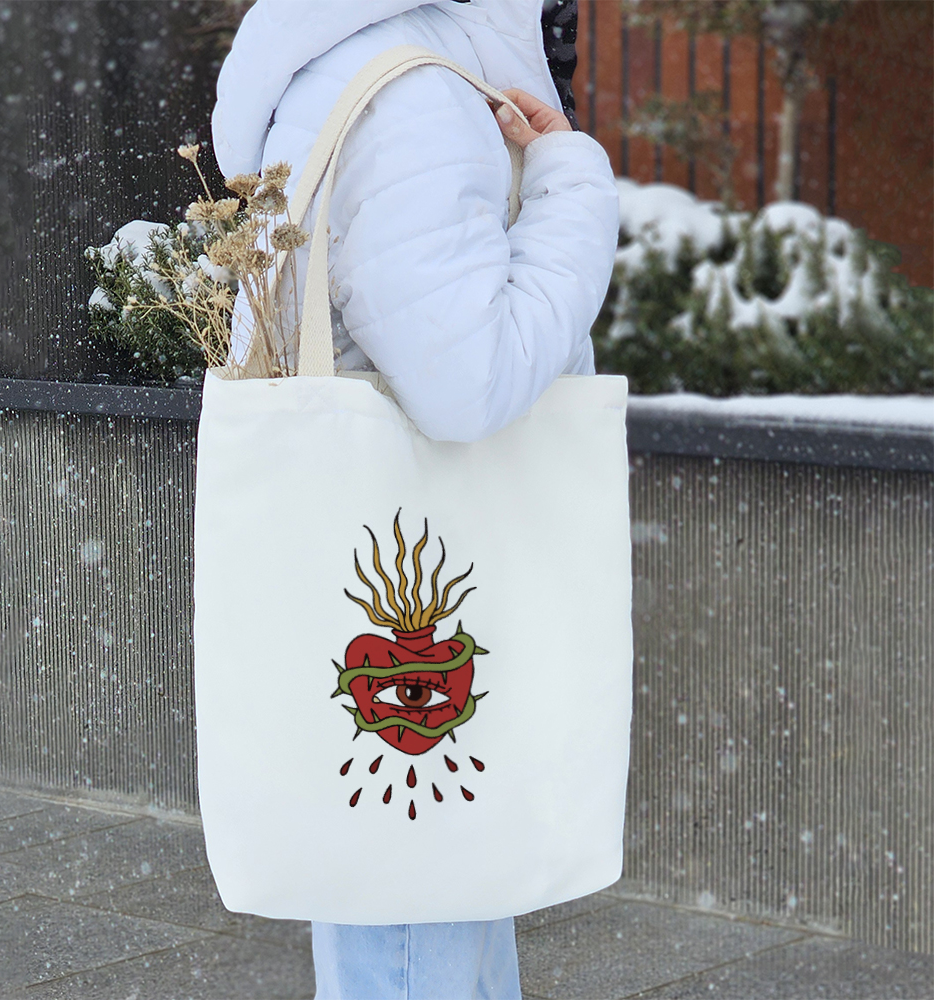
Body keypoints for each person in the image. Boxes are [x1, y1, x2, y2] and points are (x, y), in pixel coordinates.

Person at [212, 1, 619, 996]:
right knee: (416, 918)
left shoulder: (365, 60)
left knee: (424, 899)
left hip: (392, 572)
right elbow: (466, 384)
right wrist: (571, 186)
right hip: (429, 579)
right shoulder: (413, 95)